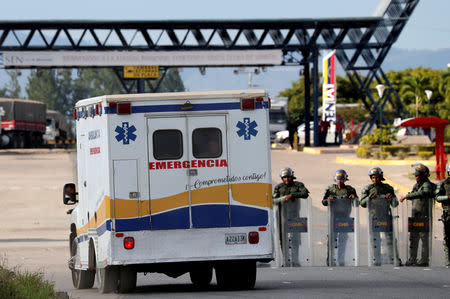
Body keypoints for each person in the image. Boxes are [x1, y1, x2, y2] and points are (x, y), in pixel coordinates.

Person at [360, 167, 402, 266]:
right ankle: (376, 260)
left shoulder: (388, 188)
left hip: (386, 216)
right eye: (373, 177)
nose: (375, 179)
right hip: (373, 217)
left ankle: (395, 260)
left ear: (381, 177)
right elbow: (362, 203)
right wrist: (369, 198)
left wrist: (391, 198)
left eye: (377, 177)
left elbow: (395, 204)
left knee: (390, 239)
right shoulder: (368, 189)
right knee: (375, 240)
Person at [273, 167, 310, 266]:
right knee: (283, 238)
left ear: (292, 177)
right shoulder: (278, 187)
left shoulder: (298, 185)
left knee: (296, 239)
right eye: (284, 177)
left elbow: (305, 193)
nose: (287, 179)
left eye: (288, 177)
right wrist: (284, 198)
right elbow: (273, 200)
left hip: (294, 215)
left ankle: (295, 260)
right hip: (282, 217)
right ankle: (286, 261)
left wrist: (293, 195)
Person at [399, 163, 434, 266]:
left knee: (424, 238)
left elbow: (424, 193)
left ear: (423, 175)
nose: (416, 177)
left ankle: (424, 260)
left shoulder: (426, 185)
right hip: (415, 215)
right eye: (415, 175)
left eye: (418, 175)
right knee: (413, 238)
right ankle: (412, 259)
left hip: (424, 216)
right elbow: (415, 193)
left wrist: (407, 196)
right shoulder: (417, 185)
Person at [322, 169, 358, 266]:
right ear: (335, 179)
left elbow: (357, 203)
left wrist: (354, 198)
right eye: (338, 179)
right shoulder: (330, 189)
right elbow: (323, 202)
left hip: (345, 218)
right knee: (332, 238)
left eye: (342, 179)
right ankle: (330, 259)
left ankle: (341, 259)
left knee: (343, 239)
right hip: (333, 217)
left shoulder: (350, 189)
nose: (340, 181)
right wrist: (328, 199)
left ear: (345, 179)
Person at [435, 163, 450, 268]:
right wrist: (447, 198)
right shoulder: (443, 184)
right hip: (448, 214)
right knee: (447, 238)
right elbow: (437, 197)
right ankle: (448, 261)